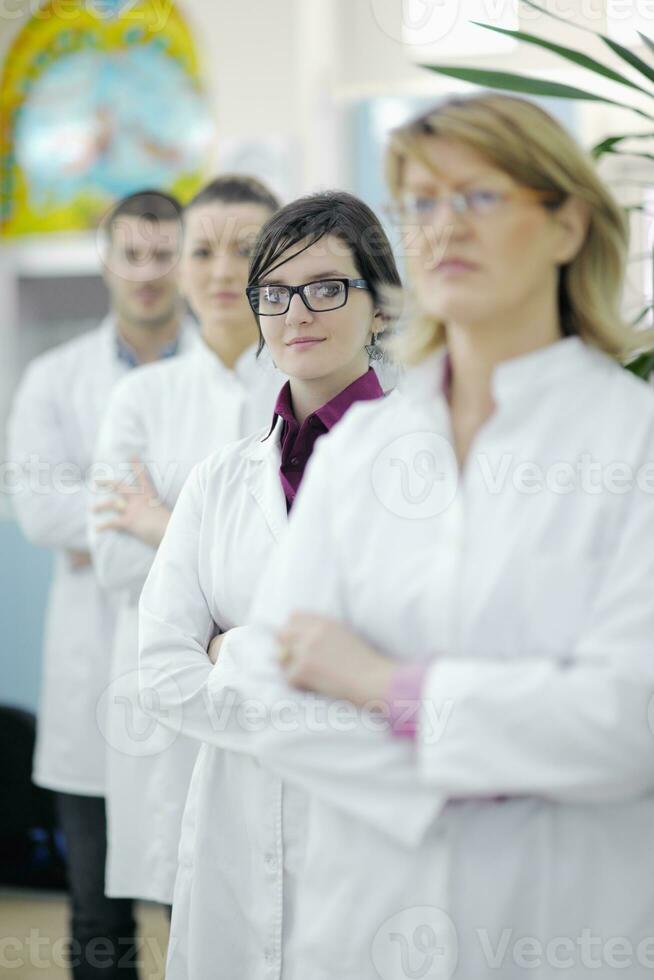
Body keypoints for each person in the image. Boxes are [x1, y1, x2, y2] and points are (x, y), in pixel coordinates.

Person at [186, 94, 654, 980]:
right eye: (423, 204)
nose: (444, 227)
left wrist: (380, 685)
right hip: (365, 925)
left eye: (478, 197)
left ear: (567, 226)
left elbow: (625, 725)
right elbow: (270, 696)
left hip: (563, 927)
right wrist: (505, 755)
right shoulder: (367, 448)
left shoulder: (633, 441)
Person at [137, 189, 401, 978]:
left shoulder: (432, 472)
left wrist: (236, 652)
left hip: (376, 839)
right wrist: (324, 678)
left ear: (381, 307)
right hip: (235, 831)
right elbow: (159, 672)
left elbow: (417, 674)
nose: (298, 313)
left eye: (327, 288)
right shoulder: (221, 479)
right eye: (275, 294)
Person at [6, 189, 196, 979]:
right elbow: (37, 511)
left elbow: (243, 524)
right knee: (97, 918)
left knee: (202, 905)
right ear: (106, 260)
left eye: (164, 254)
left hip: (192, 679)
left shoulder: (227, 372)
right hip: (91, 681)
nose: (148, 272)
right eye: (133, 254)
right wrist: (165, 518)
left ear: (183, 261)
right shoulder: (55, 378)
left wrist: (133, 517)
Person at [88, 175, 283, 911]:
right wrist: (247, 586)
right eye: (202, 250)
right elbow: (112, 560)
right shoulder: (141, 397)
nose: (224, 270)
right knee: (190, 910)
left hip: (290, 706)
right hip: (174, 710)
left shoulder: (320, 386)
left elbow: (320, 574)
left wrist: (163, 526)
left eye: (247, 248)